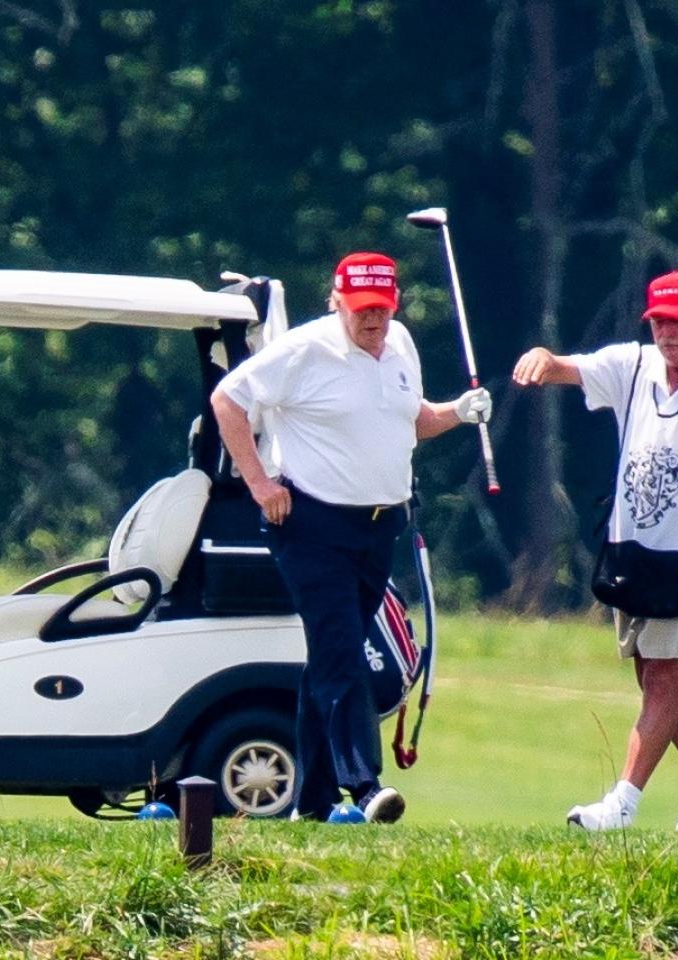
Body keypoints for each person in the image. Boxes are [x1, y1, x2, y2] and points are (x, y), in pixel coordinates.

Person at [210, 251, 491, 824]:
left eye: (382, 309)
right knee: (343, 655)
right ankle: (364, 787)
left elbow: (410, 421)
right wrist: (260, 484)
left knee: (328, 661)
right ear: (336, 301)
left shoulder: (401, 345)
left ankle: (309, 804)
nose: (373, 321)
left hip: (378, 526)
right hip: (310, 526)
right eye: (361, 309)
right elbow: (227, 402)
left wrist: (459, 412)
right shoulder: (304, 350)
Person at [511, 269, 678, 831]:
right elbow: (570, 367)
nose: (666, 333)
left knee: (663, 674)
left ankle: (622, 804)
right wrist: (543, 356)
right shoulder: (633, 366)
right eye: (658, 322)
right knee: (655, 674)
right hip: (631, 548)